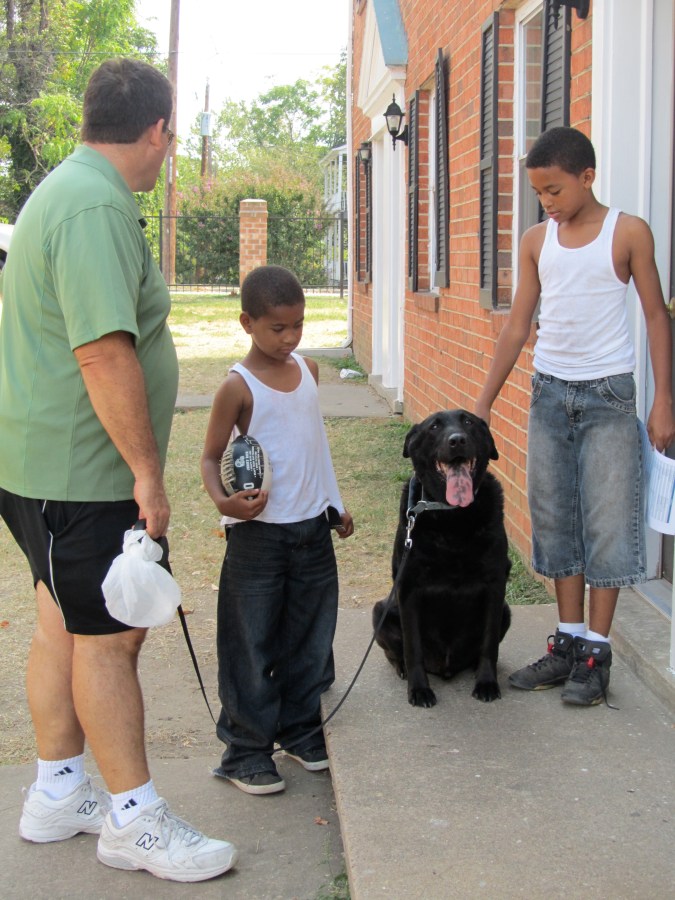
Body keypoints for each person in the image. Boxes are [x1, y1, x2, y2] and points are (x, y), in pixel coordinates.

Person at [0, 58, 237, 881]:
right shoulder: (96, 206)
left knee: (60, 626)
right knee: (111, 640)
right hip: (84, 473)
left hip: (40, 466)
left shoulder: (65, 188)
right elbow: (103, 351)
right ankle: (134, 820)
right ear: (158, 130)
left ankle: (58, 791)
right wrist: (147, 472)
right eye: (172, 139)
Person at [475, 126, 675, 706]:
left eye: (555, 190)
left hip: (609, 397)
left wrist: (664, 399)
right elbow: (518, 325)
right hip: (548, 396)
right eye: (539, 193)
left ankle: (595, 652)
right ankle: (566, 642)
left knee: (608, 521)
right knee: (556, 517)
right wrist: (484, 402)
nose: (547, 202)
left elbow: (656, 316)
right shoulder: (537, 241)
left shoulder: (628, 232)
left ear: (587, 177)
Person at [201, 265, 354, 795]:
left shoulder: (309, 371)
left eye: (298, 325)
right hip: (258, 539)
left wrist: (334, 505)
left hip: (312, 530)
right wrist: (224, 503)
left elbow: (314, 445)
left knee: (310, 636)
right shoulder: (237, 387)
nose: (290, 338)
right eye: (278, 328)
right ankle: (245, 752)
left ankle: (301, 731)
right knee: (251, 641)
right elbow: (210, 457)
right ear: (248, 323)